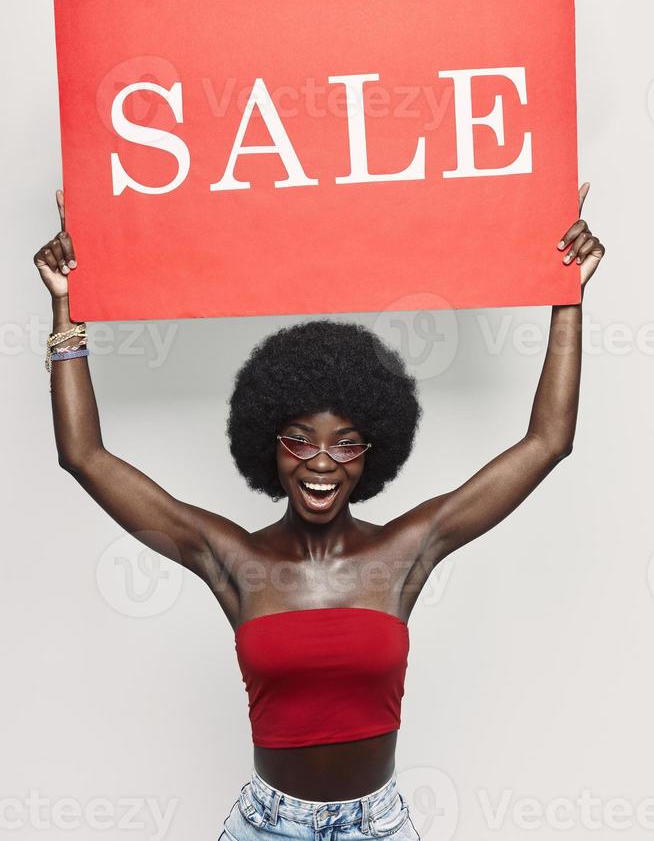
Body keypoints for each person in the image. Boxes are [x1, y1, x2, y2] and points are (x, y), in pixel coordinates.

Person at [33, 182, 604, 840]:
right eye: (300, 439)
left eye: (347, 443)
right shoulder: (233, 558)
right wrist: (64, 302)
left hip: (378, 825)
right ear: (269, 446)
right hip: (267, 826)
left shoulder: (402, 552)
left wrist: (568, 295)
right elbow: (85, 456)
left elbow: (547, 442)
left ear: (372, 454)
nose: (322, 462)